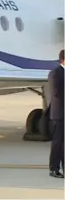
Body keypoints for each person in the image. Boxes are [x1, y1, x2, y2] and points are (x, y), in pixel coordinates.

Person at [48, 49, 64, 178]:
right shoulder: (56, 73)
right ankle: (54, 168)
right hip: (59, 114)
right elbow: (56, 92)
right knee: (57, 142)